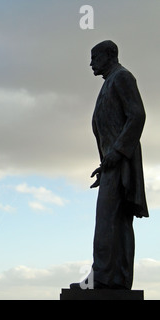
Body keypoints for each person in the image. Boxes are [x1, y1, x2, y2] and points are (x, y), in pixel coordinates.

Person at [71, 40, 148, 290]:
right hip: (112, 164)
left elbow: (137, 115)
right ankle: (117, 278)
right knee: (116, 221)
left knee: (108, 219)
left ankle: (104, 278)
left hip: (121, 161)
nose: (91, 63)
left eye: (95, 57)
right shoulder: (109, 82)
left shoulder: (122, 78)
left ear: (110, 55)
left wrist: (117, 153)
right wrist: (104, 166)